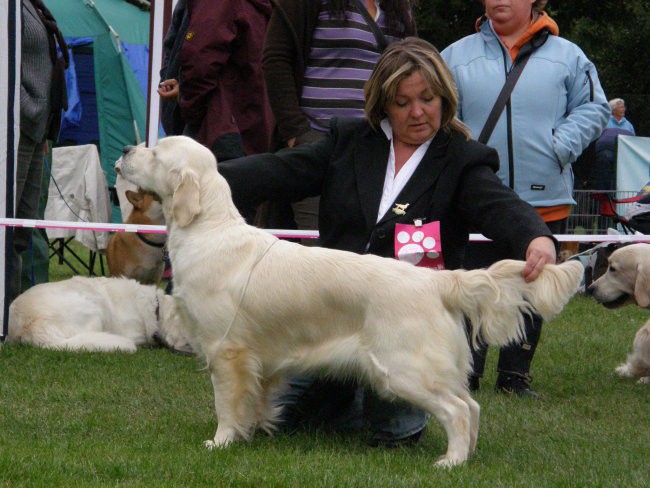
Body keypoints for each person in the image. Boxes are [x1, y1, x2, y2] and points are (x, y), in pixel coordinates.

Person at [218, 37, 557, 446]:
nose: (418, 113)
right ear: (383, 105)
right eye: (402, 103)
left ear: (445, 98)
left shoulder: (463, 158)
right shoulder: (348, 142)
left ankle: (376, 400)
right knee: (286, 420)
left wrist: (535, 235)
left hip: (407, 325)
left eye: (428, 99)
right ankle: (352, 397)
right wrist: (205, 174)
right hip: (330, 325)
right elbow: (279, 170)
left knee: (393, 433)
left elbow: (500, 205)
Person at [442, 0, 609, 397]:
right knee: (472, 285)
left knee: (534, 284)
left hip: (545, 195)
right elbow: (443, 115)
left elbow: (594, 108)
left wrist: (559, 146)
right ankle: (468, 371)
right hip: (475, 198)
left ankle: (516, 375)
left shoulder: (570, 56)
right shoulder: (454, 55)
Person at [258, 0, 416, 236]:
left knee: (371, 244)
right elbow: (276, 59)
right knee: (322, 245)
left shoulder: (399, 6)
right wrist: (296, 134)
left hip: (379, 148)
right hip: (317, 141)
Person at [159, 0, 274, 162]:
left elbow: (200, 59)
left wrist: (187, 104)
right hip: (254, 127)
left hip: (218, 133)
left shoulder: (218, 4)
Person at [10, 0, 68, 304]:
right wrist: (27, 107)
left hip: (34, 131)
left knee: (21, 230)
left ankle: (11, 310)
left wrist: (43, 125)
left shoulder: (30, 4)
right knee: (6, 227)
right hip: (14, 128)